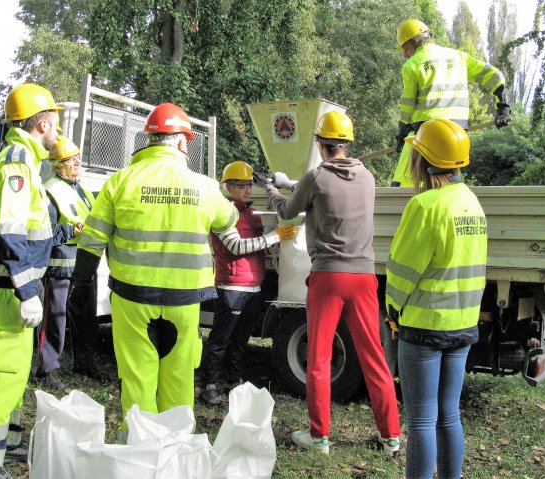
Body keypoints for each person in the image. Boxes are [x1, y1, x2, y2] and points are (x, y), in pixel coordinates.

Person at [67, 102, 239, 442]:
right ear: (181, 141)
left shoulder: (121, 181)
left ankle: (136, 446)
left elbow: (91, 240)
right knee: (179, 374)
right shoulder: (204, 186)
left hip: (132, 297)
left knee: (137, 374)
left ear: (149, 139)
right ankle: (177, 446)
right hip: (185, 300)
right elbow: (228, 224)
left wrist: (81, 284)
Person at [254, 111, 401, 455]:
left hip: (328, 277)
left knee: (319, 358)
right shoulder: (367, 178)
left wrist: (272, 188)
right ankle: (391, 437)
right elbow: (330, 190)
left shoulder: (316, 177)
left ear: (321, 144)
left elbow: (289, 210)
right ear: (347, 143)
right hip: (363, 276)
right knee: (373, 357)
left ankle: (319, 436)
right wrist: (293, 183)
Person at [0, 83, 61, 479]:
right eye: (55, 123)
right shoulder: (17, 165)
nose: (58, 131)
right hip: (8, 288)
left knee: (14, 368)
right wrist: (26, 290)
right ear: (41, 124)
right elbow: (10, 233)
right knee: (0, 371)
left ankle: (6, 441)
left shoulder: (25, 162)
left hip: (14, 288)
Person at [386, 119, 488, 478]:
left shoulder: (424, 205)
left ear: (424, 160)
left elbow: (402, 271)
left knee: (421, 421)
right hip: (463, 325)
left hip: (424, 327)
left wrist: (392, 311)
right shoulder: (472, 203)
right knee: (449, 415)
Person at [199, 161, 296, 406]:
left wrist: (276, 238)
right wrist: (274, 236)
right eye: (241, 185)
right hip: (231, 287)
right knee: (220, 340)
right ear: (228, 186)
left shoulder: (250, 213)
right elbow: (236, 246)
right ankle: (208, 385)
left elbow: (259, 245)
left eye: (249, 185)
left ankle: (232, 381)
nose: (247, 189)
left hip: (252, 286)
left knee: (240, 341)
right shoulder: (224, 213)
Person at [391, 18, 510, 187]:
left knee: (404, 182)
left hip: (427, 131)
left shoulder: (412, 65)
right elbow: (495, 76)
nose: (405, 54)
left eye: (405, 49)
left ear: (414, 42)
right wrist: (503, 108)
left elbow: (408, 104)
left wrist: (403, 130)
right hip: (457, 133)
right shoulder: (458, 57)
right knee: (449, 178)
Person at [32, 136, 99, 390]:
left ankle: (85, 364)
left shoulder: (81, 189)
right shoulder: (49, 191)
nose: (78, 162)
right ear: (58, 165)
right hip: (59, 266)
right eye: (71, 159)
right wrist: (71, 231)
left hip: (84, 265)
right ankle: (46, 369)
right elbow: (44, 231)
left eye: (78, 157)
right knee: (54, 319)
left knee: (85, 317)